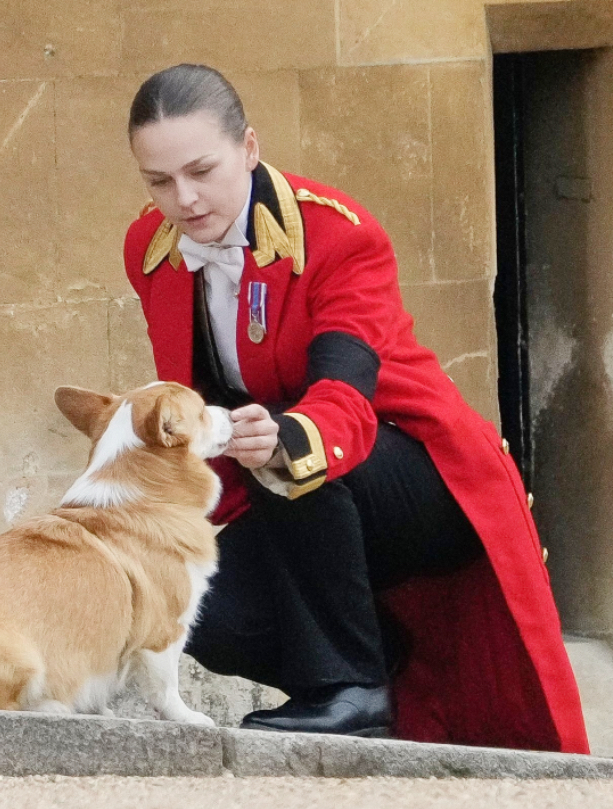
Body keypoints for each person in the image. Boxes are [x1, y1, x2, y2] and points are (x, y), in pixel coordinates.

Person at [122, 63, 589, 752]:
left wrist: (284, 437)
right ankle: (388, 664)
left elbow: (344, 394)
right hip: (278, 485)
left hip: (420, 476)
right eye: (159, 181)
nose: (184, 199)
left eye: (201, 170)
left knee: (297, 462)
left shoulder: (339, 234)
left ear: (249, 148)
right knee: (195, 604)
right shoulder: (149, 250)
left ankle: (348, 690)